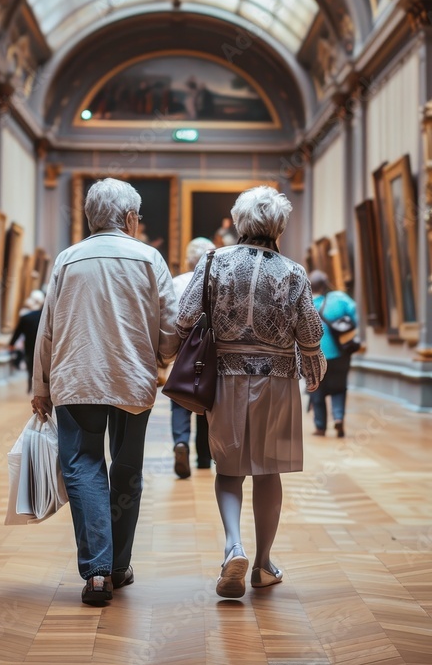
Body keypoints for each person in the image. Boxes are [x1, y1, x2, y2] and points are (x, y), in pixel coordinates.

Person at [31, 178, 178, 607]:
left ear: (90, 217)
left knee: (83, 467)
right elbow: (170, 329)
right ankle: (117, 566)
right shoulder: (150, 258)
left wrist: (40, 385)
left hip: (76, 381)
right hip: (133, 382)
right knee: (127, 468)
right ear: (131, 219)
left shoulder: (67, 260)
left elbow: (48, 330)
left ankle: (97, 572)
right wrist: (162, 358)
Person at [177, 186, 326, 598]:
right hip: (276, 381)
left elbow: (185, 316)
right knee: (268, 470)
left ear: (240, 221)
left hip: (224, 378)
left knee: (228, 468)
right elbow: (310, 332)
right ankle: (262, 565)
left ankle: (232, 546)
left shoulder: (212, 262)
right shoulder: (293, 272)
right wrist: (313, 364)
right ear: (279, 225)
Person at [171, 236, 215, 478]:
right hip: (210, 351)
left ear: (189, 260)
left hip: (183, 350)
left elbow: (170, 319)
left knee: (179, 399)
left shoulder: (177, 282)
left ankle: (181, 442)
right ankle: (204, 457)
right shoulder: (217, 282)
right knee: (205, 399)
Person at [308, 271, 358, 438]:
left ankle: (320, 427)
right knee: (339, 388)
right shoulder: (339, 298)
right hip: (339, 354)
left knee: (317, 392)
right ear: (326, 283)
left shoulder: (307, 304)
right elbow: (355, 315)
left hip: (315, 357)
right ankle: (338, 418)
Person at [9, 290, 45, 393]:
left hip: (29, 345)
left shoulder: (26, 317)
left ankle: (31, 385)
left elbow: (17, 332)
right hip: (43, 345)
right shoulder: (45, 317)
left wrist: (11, 344)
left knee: (30, 366)